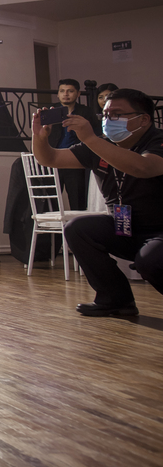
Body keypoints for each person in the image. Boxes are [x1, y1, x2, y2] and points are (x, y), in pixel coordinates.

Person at [32, 88, 163, 316]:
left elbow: (144, 167)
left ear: (143, 119)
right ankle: (115, 299)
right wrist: (39, 138)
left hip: (159, 230)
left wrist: (90, 138)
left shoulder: (158, 141)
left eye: (116, 114)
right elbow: (50, 158)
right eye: (105, 114)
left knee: (150, 260)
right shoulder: (99, 146)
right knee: (78, 228)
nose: (108, 120)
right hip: (125, 227)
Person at [48, 78, 101, 210]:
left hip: (75, 159)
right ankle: (52, 229)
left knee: (78, 199)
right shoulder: (51, 111)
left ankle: (78, 227)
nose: (66, 94)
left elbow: (96, 133)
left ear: (78, 94)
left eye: (70, 91)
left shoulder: (86, 112)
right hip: (54, 159)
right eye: (62, 91)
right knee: (50, 200)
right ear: (58, 94)